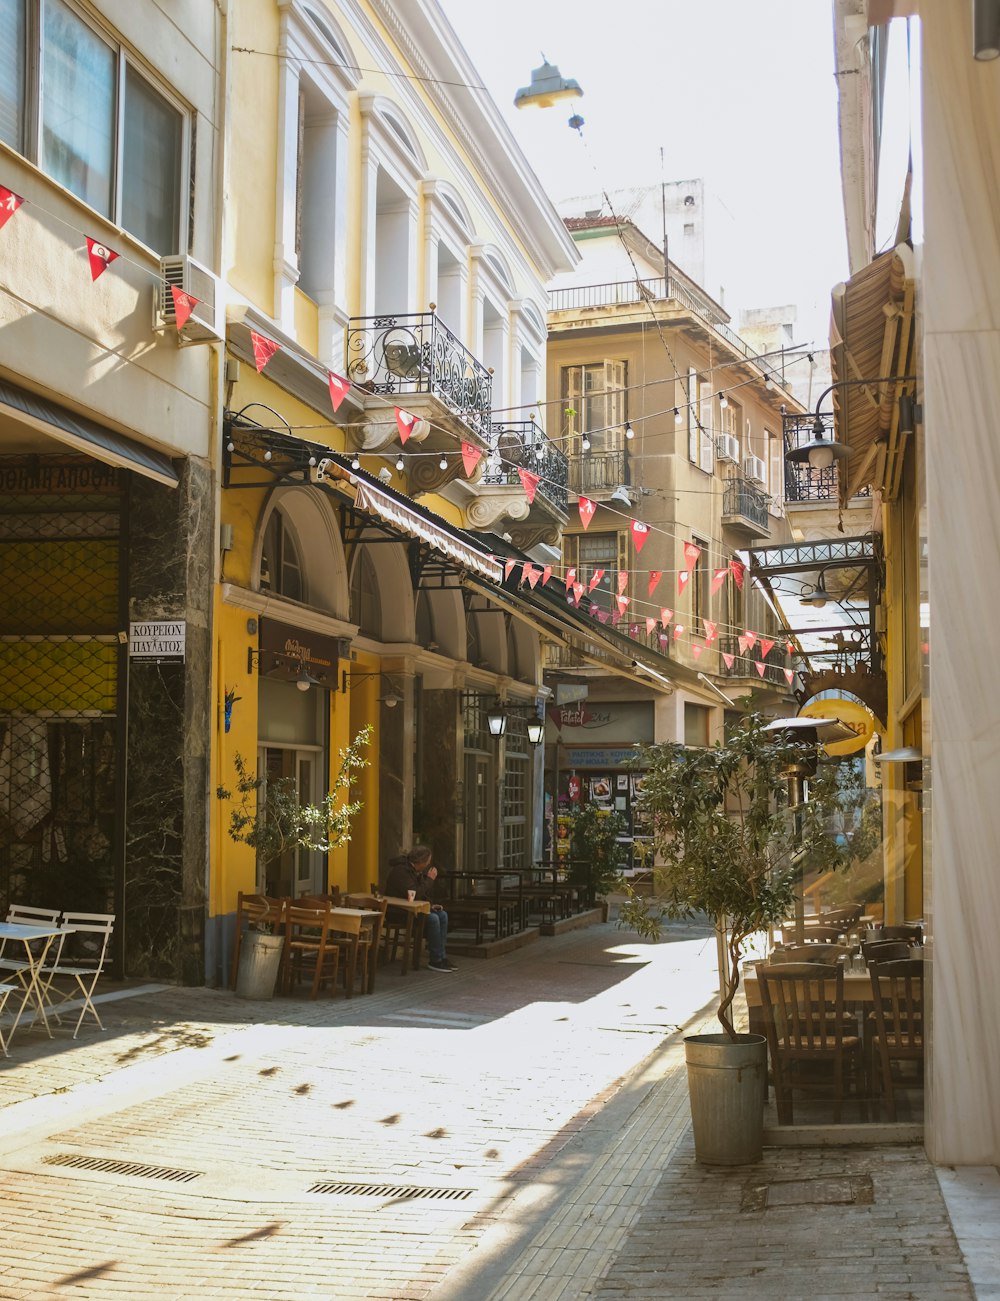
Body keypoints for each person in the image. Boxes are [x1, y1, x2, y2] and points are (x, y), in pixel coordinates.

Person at [384, 845, 455, 972]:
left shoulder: (415, 872)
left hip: (412, 910)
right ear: (421, 862)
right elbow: (415, 892)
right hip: (399, 912)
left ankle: (441, 956)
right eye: (428, 861)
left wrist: (430, 905)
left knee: (442, 915)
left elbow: (421, 895)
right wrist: (429, 879)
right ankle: (435, 960)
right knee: (433, 919)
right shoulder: (401, 871)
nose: (428, 864)